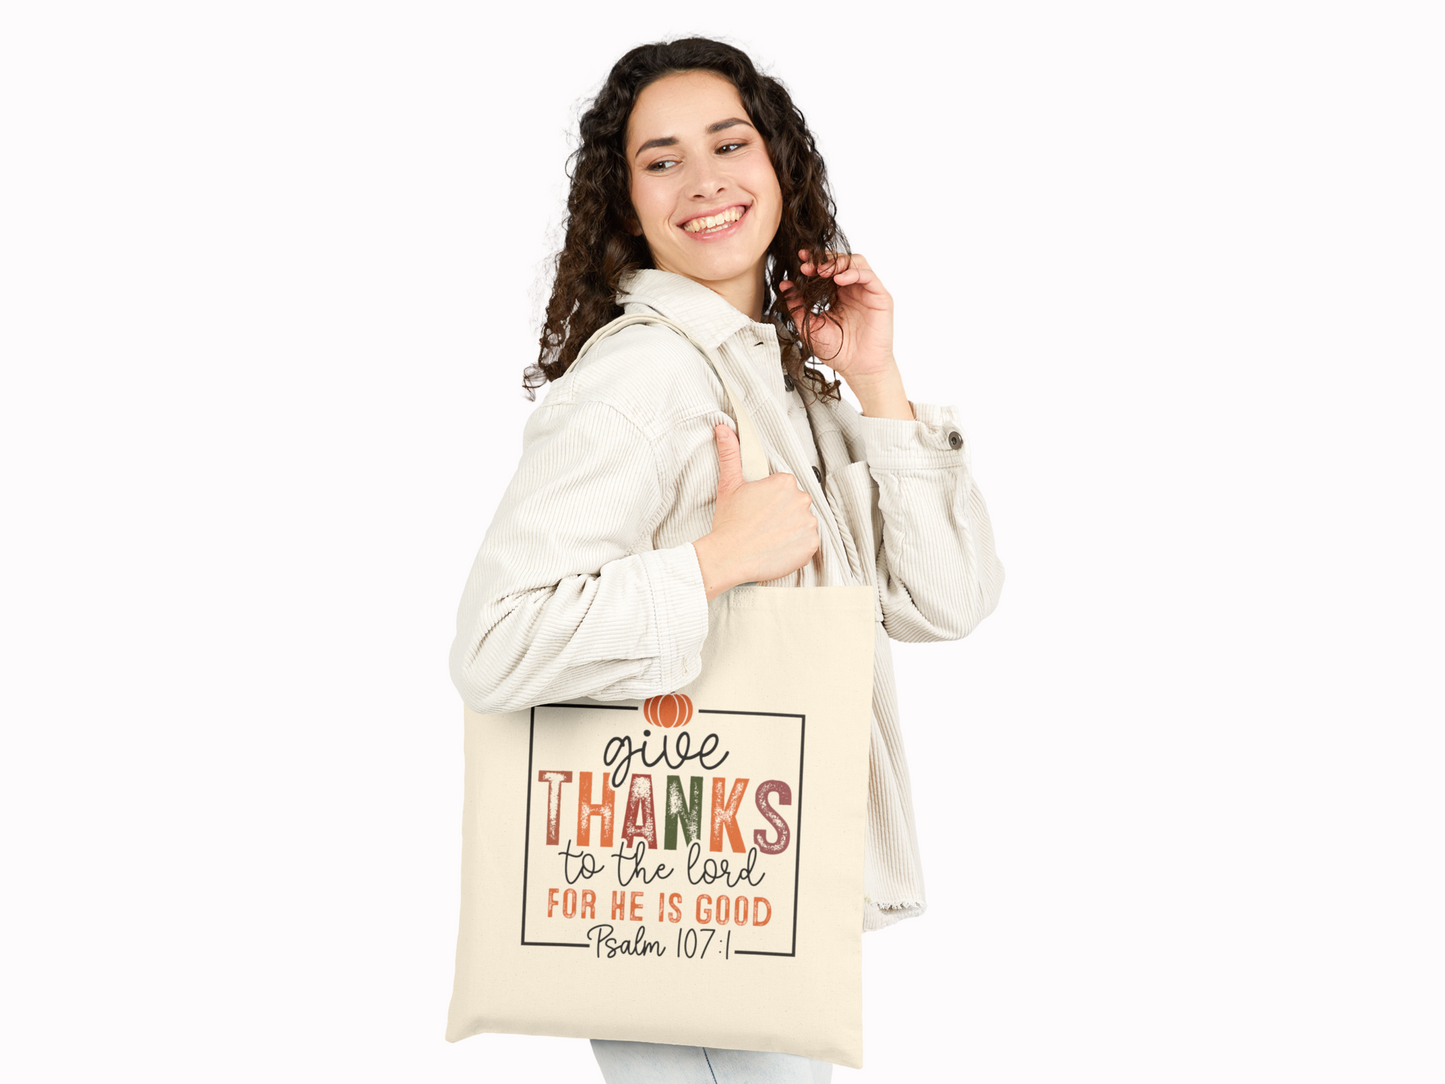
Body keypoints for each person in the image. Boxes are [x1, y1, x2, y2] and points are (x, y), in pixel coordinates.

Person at [449, 37, 1005, 1084]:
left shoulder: (779, 381)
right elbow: (492, 643)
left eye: (727, 142)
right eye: (660, 160)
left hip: (751, 875)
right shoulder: (646, 376)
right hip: (678, 876)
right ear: (627, 204)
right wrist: (713, 563)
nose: (702, 180)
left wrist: (876, 379)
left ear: (778, 167)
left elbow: (947, 599)